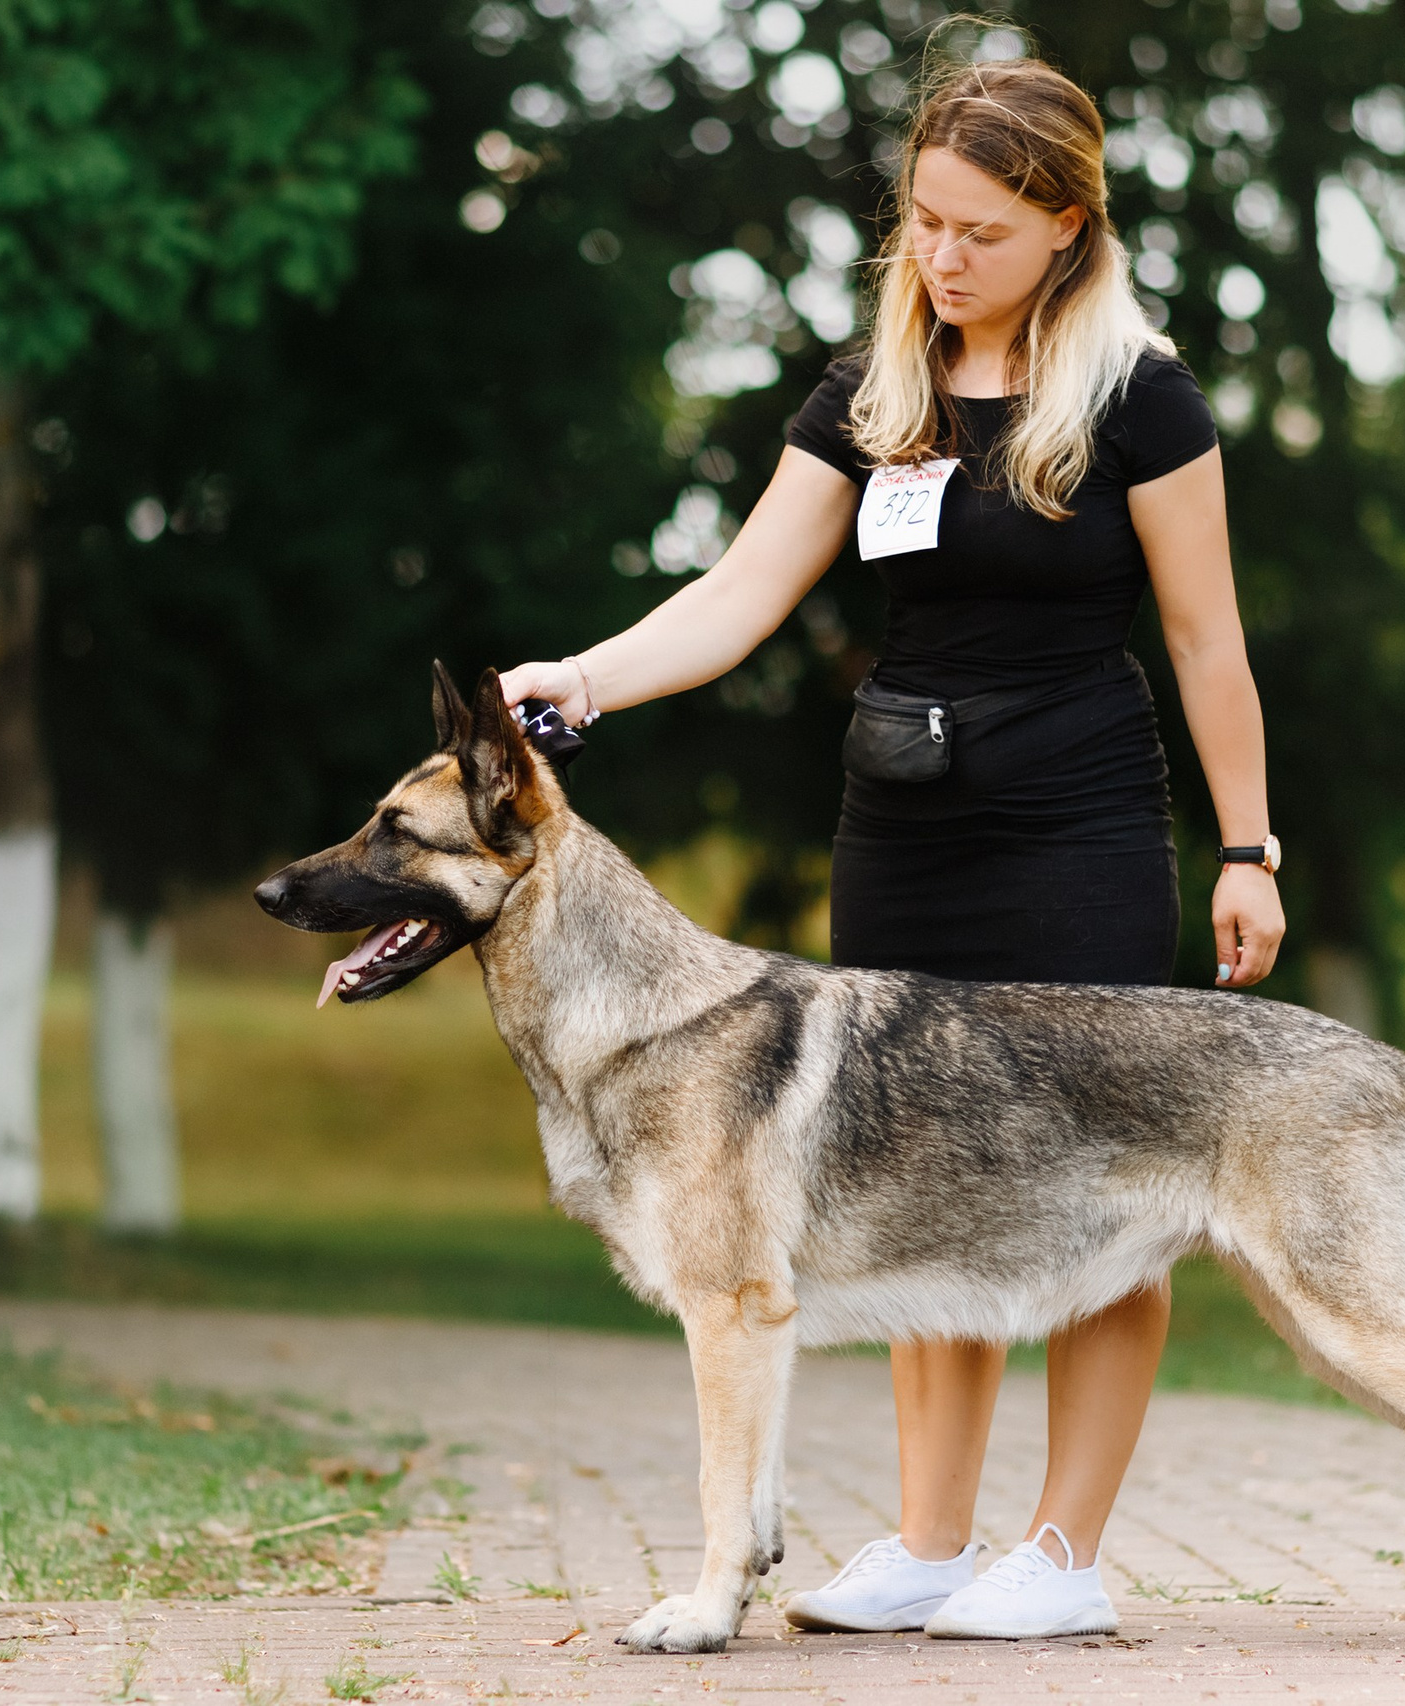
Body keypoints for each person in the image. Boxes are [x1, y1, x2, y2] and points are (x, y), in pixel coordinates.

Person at [497, 56, 1284, 1641]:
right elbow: (738, 595)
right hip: (906, 822)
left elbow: (1208, 642)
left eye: (980, 229)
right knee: (929, 1178)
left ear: (1068, 225)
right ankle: (930, 1541)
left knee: (1108, 1188)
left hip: (1079, 822)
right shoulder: (876, 384)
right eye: (922, 221)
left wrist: (1251, 846)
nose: (940, 257)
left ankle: (1063, 1555)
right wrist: (581, 678)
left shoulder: (1142, 395)